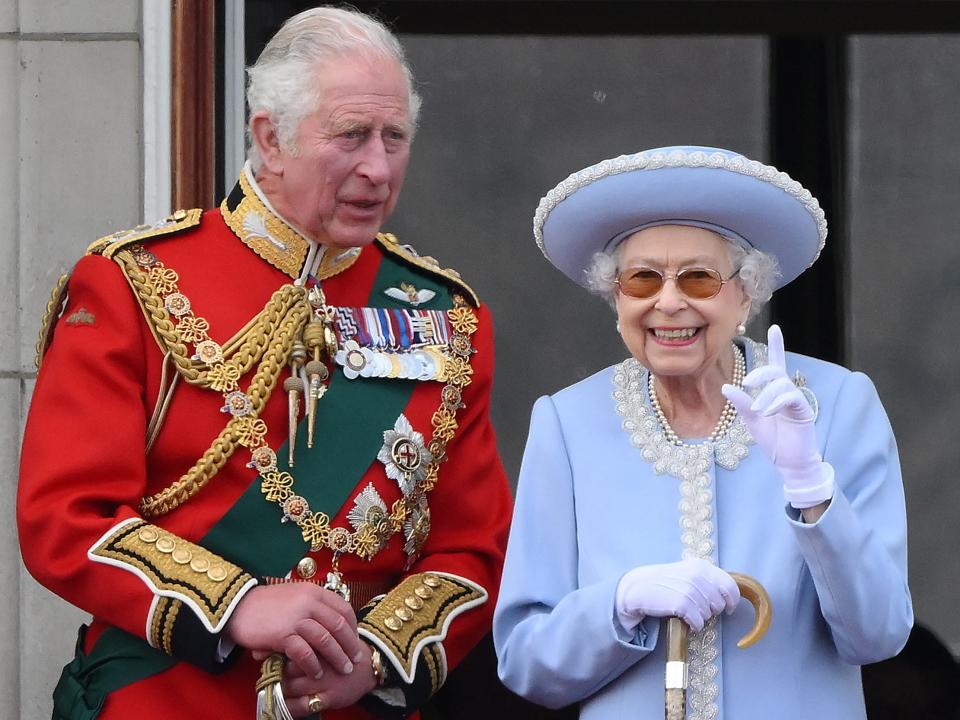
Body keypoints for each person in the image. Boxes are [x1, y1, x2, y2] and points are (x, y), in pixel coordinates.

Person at [19, 7, 512, 719]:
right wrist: (237, 606)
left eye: (394, 137)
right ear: (269, 138)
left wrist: (372, 657)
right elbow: (65, 517)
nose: (377, 166)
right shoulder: (134, 282)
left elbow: (473, 552)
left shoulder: (445, 317)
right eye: (350, 135)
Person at [493, 146, 913, 719]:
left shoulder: (837, 404)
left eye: (699, 277)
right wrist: (618, 604)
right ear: (615, 297)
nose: (669, 302)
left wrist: (812, 489)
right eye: (642, 279)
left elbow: (879, 634)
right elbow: (526, 662)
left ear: (747, 292)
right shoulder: (567, 423)